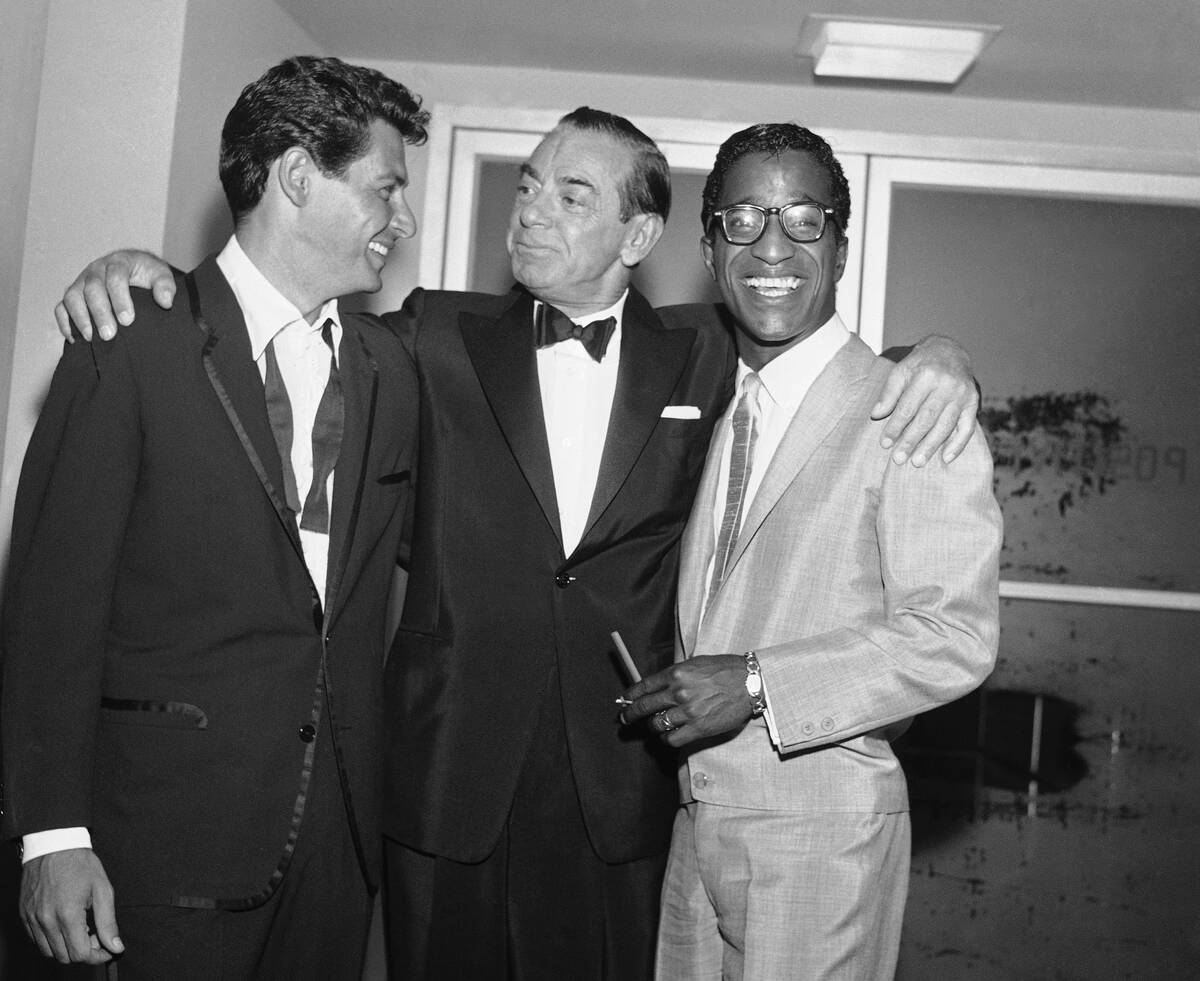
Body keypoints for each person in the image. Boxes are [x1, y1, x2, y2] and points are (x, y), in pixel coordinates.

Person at [55, 109, 979, 981]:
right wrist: (150, 278)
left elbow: (825, 361)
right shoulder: (432, 334)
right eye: (529, 186)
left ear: (640, 237)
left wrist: (942, 355)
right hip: (445, 783)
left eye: (571, 196)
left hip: (627, 795)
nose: (530, 209)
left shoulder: (703, 350)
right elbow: (277, 323)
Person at [2, 56, 427, 979]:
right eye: (386, 189)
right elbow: (49, 609)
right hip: (155, 850)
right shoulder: (133, 339)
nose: (404, 220)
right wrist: (51, 834)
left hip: (336, 852)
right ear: (299, 176)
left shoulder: (391, 373)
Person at [620, 122, 1002, 980]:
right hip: (695, 831)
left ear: (839, 244)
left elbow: (956, 635)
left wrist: (756, 683)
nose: (774, 247)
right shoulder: (708, 392)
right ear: (711, 244)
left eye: (803, 220)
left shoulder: (914, 404)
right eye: (746, 219)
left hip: (824, 841)